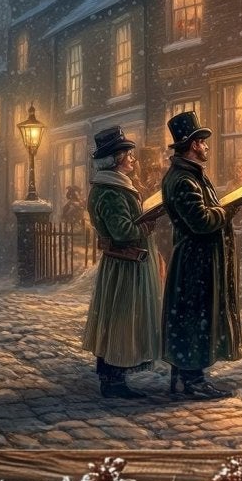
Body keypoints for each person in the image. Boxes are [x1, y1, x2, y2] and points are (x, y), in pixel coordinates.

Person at [159, 110, 242, 397]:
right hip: (194, 262)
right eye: (203, 142)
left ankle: (187, 376)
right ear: (193, 145)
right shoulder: (184, 179)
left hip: (198, 259)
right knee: (193, 317)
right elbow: (202, 221)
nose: (206, 147)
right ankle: (191, 381)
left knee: (192, 316)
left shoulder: (190, 174)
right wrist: (228, 210)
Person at [80, 125, 161, 398]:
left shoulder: (113, 185)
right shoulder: (111, 191)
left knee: (117, 318)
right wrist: (147, 225)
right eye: (128, 154)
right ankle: (113, 380)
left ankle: (111, 376)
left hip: (124, 264)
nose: (133, 159)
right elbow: (122, 232)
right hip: (125, 265)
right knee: (121, 319)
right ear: (116, 159)